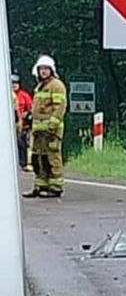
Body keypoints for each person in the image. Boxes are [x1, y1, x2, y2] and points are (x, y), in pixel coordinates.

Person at [23, 55, 66, 198]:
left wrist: (53, 125)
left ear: (51, 70)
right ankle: (40, 185)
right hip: (38, 131)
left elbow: (60, 107)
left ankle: (55, 187)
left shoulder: (57, 85)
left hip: (51, 131)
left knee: (51, 158)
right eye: (41, 69)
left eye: (46, 69)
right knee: (38, 158)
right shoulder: (40, 86)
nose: (43, 71)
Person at [11, 73, 32, 169]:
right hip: (9, 125)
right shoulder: (6, 95)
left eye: (16, 83)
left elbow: (31, 109)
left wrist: (26, 114)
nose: (14, 85)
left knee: (22, 144)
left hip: (22, 125)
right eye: (12, 83)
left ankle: (23, 163)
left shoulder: (24, 95)